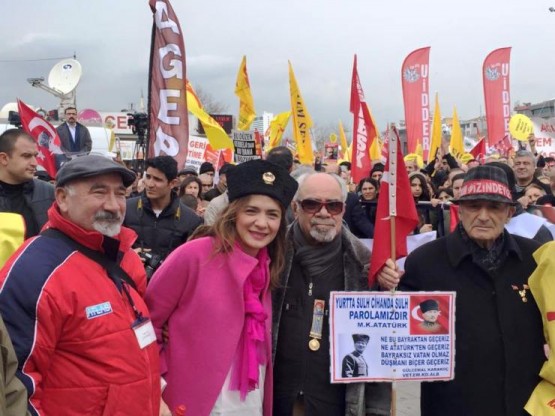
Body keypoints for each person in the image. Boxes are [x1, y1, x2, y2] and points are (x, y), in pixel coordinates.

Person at [0, 155, 164, 415]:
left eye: (120, 194)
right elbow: (16, 384)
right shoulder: (35, 270)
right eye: (99, 192)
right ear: (63, 198)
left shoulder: (127, 258)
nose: (113, 206)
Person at [377, 165, 545, 416]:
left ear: (509, 212)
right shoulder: (425, 261)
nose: (484, 216)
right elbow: (394, 331)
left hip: (525, 404)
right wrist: (384, 286)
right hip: (453, 404)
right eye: (474, 206)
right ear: (460, 209)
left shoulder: (536, 258)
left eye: (494, 207)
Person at [146, 159, 298, 416]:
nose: (262, 223)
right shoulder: (194, 255)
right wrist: (157, 386)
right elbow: (148, 324)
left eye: (272, 214)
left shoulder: (267, 266)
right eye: (251, 211)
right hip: (190, 401)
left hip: (249, 402)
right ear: (234, 212)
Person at [273, 172, 391, 416]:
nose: (324, 213)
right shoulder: (269, 257)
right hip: (274, 398)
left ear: (343, 209)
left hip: (336, 403)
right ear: (295, 208)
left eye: (333, 206)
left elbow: (379, 352)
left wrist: (377, 410)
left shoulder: (367, 269)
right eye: (312, 204)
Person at [124, 156, 202, 278]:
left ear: (173, 183)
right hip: (129, 282)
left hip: (168, 286)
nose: (150, 184)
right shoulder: (125, 209)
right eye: (148, 177)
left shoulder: (191, 220)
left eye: (157, 179)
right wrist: (126, 255)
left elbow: (194, 263)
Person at [0, 129, 55, 238]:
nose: (35, 163)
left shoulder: (49, 193)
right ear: (4, 158)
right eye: (26, 156)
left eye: (35, 156)